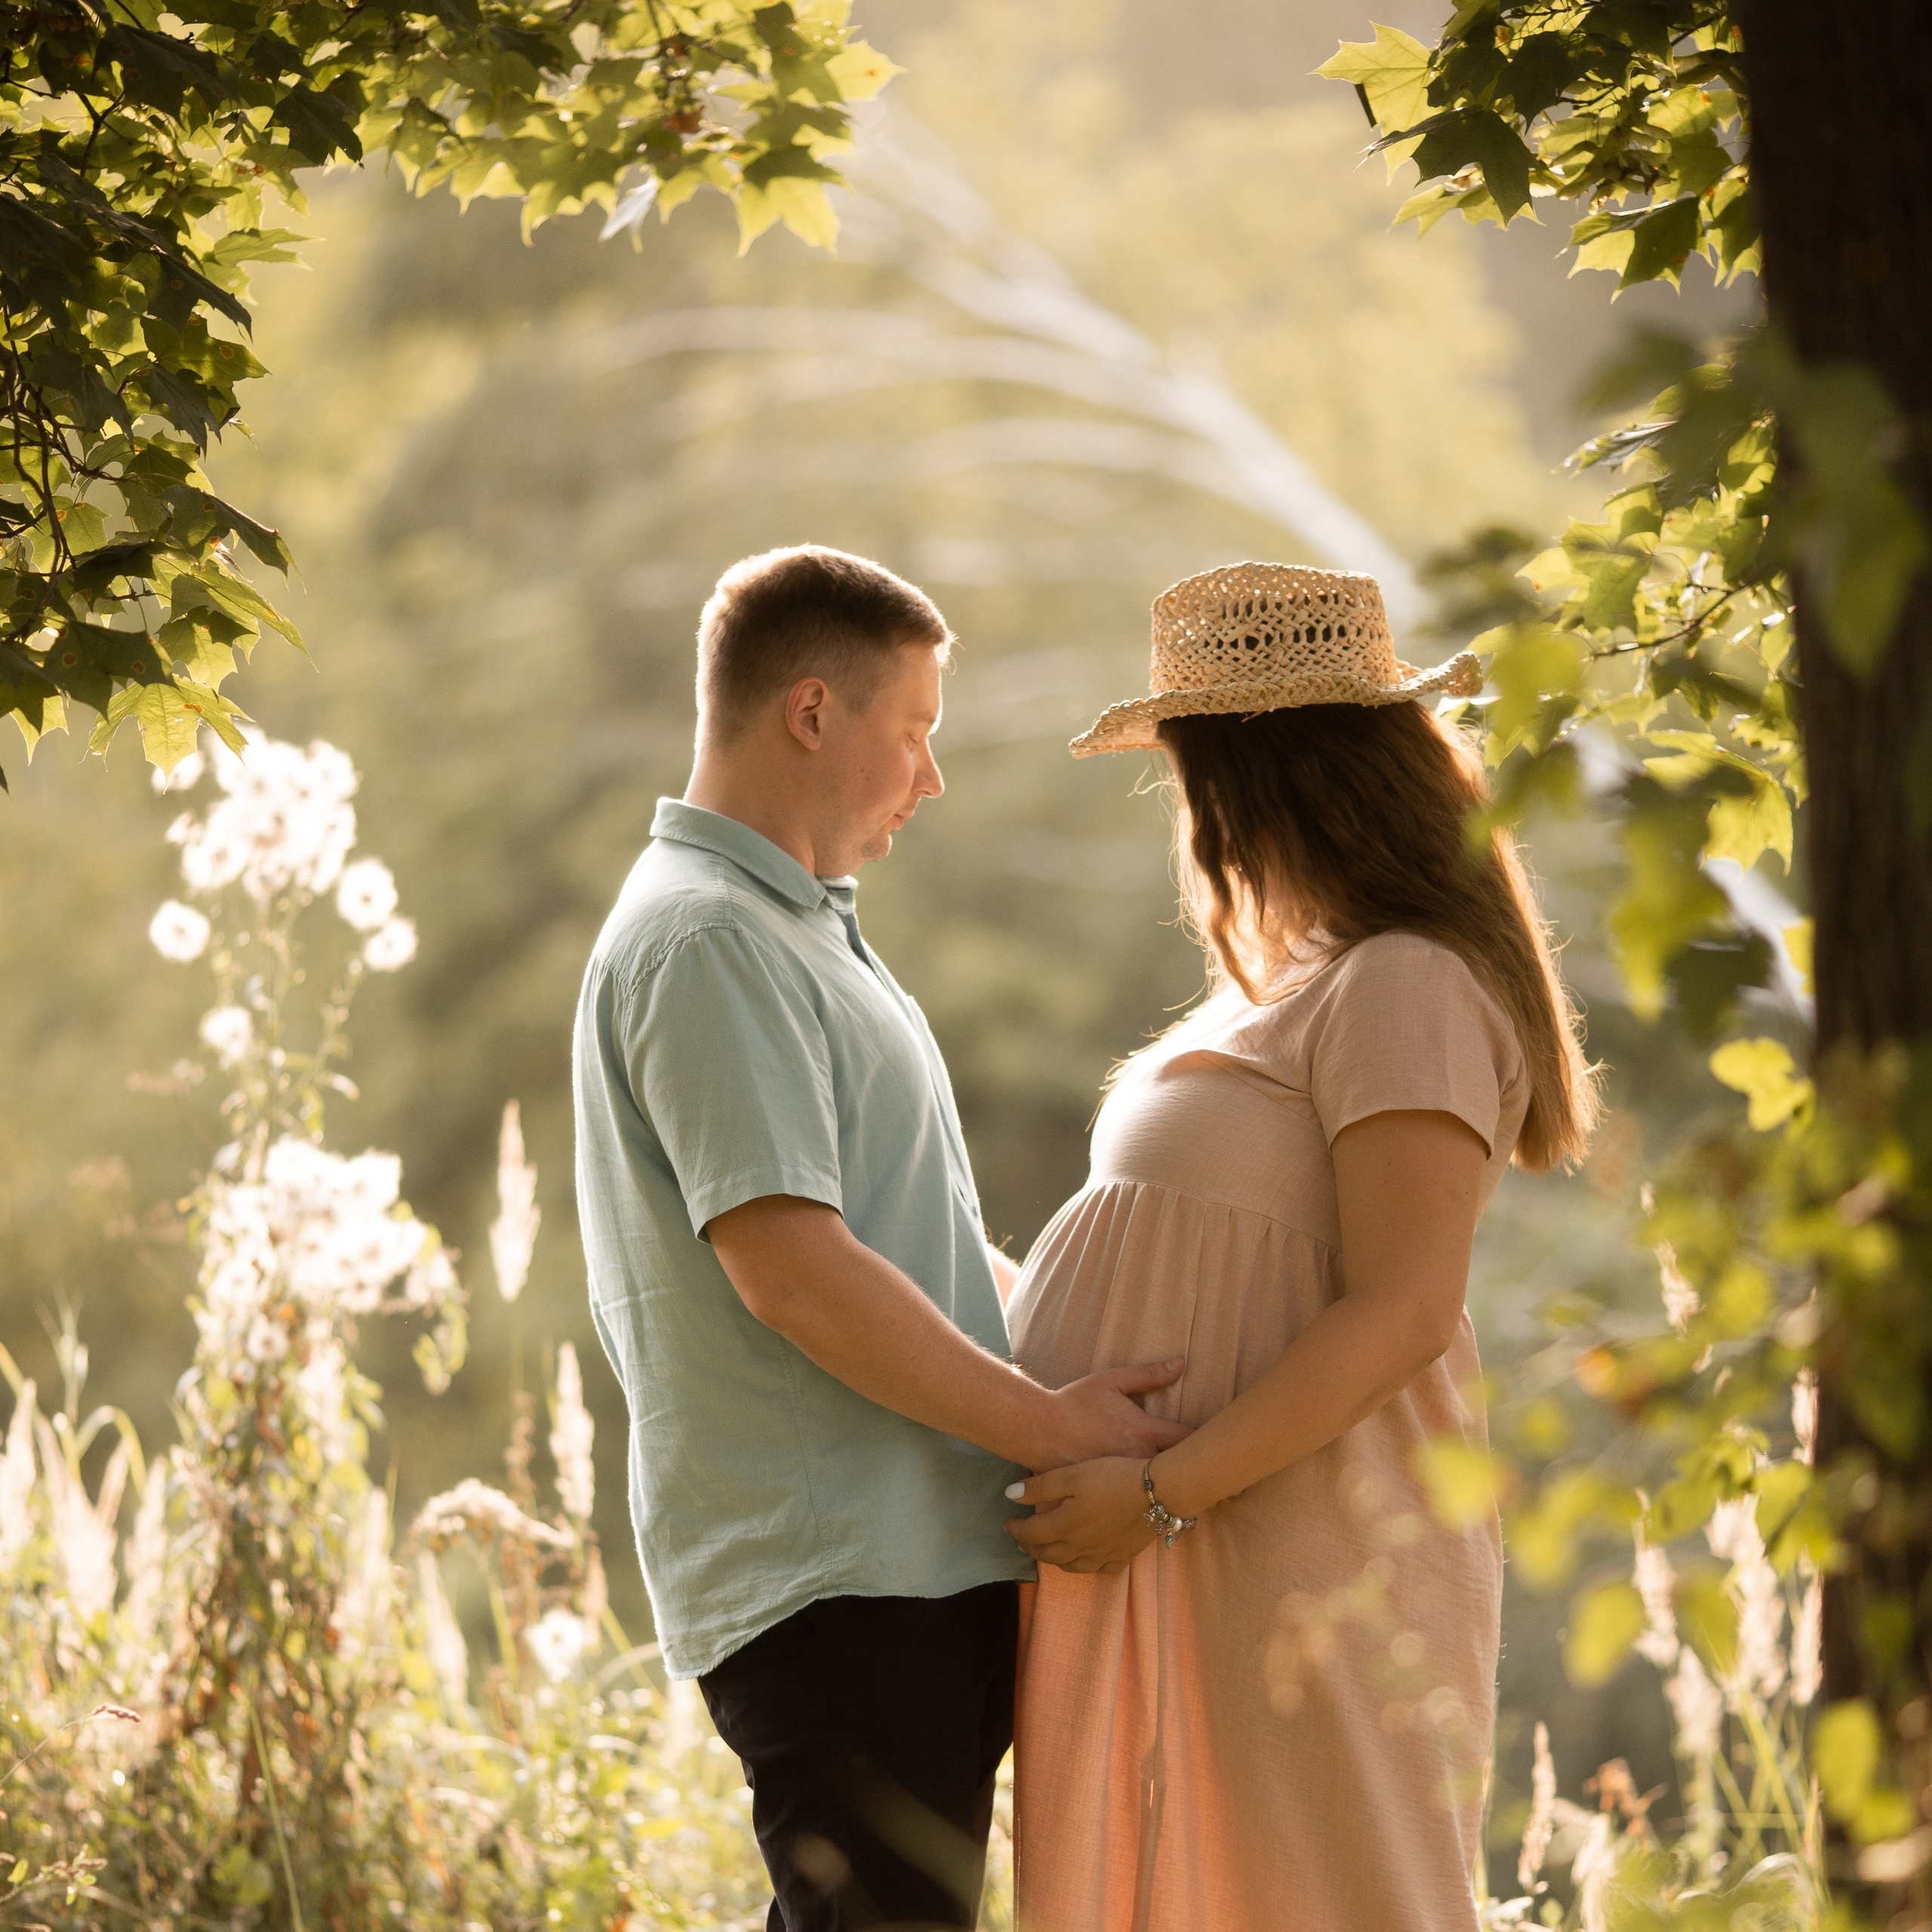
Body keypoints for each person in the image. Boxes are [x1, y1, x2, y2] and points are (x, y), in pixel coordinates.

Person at [573, 544, 1188, 1932]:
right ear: (810, 711)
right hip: (842, 1580)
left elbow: (921, 1246)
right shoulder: (707, 940)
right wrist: (1051, 1427)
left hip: (912, 1561)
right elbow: (795, 1273)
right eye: (913, 733)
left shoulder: (799, 933)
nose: (931, 777)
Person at [1001, 562, 1601, 1932]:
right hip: (1197, 1534)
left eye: (1195, 772)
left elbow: (1401, 1310)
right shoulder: (1308, 982)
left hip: (1291, 1546)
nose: (1193, 818)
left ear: (1267, 775)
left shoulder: (1405, 983)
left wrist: (1159, 1494)